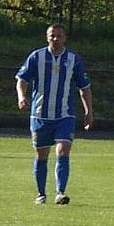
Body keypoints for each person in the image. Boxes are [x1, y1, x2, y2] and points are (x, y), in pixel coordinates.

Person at [16, 23, 93, 205]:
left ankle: (60, 192)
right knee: (42, 155)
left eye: (59, 36)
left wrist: (89, 112)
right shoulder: (37, 57)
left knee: (63, 150)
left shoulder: (73, 59)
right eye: (52, 35)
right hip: (40, 115)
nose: (56, 39)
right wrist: (22, 96)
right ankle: (41, 194)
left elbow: (84, 87)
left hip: (64, 115)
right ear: (47, 37)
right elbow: (22, 79)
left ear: (65, 38)